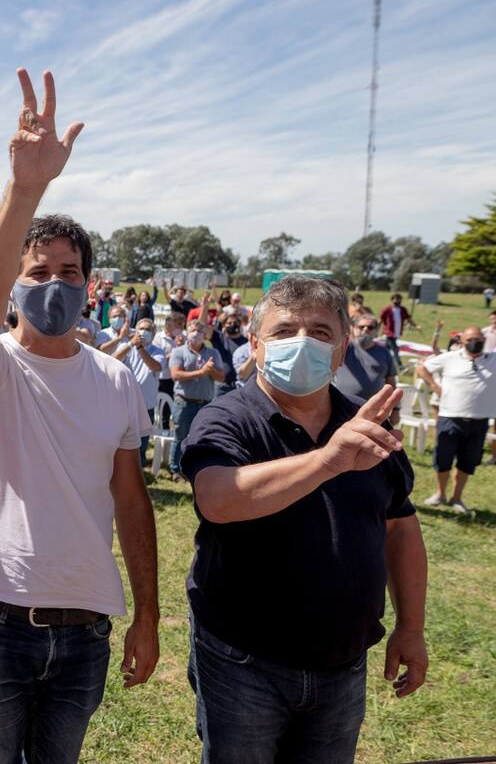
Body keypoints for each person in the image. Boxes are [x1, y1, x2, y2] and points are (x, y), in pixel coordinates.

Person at [0, 69, 159, 764]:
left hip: (85, 624)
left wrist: (149, 612)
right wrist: (25, 189)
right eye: (38, 271)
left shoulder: (115, 378)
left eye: (69, 272)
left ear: (89, 286)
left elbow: (131, 499)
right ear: (15, 281)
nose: (54, 283)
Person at [180, 275, 428, 764]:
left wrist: (411, 627)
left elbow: (400, 526)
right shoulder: (227, 419)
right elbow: (217, 499)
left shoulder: (367, 426)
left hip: (343, 663)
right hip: (244, 661)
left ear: (341, 350)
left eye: (319, 332)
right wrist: (328, 461)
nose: (302, 342)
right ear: (255, 345)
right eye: (284, 331)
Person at [417, 326, 496, 514]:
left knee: (468, 461)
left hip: (479, 421)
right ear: (461, 341)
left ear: (484, 339)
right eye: (469, 339)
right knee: (443, 458)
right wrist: (435, 386)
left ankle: (457, 497)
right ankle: (440, 494)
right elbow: (422, 368)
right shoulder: (450, 358)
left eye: (478, 338)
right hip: (450, 417)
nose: (475, 342)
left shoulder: (493, 359)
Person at [168, 319, 224, 480]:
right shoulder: (178, 352)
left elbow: (221, 377)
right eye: (193, 330)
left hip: (205, 403)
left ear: (205, 334)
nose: (196, 333)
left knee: (201, 438)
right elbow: (175, 374)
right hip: (184, 402)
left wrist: (210, 370)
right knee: (180, 437)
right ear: (187, 332)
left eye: (199, 331)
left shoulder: (213, 353)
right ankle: (176, 469)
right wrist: (201, 372)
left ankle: (195, 469)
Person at [112, 318, 165, 468]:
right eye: (141, 328)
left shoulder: (158, 351)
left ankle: (138, 473)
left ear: (153, 333)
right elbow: (113, 360)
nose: (143, 332)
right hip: (124, 404)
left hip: (146, 406)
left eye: (148, 329)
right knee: (119, 442)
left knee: (141, 445)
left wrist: (141, 349)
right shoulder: (127, 347)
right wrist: (131, 344)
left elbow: (155, 367)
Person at [333, 313, 398, 406]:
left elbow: (391, 381)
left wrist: (395, 407)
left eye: (370, 327)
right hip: (341, 405)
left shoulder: (384, 352)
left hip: (374, 407)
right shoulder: (344, 347)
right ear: (353, 328)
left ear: (376, 331)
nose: (365, 330)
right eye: (361, 327)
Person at [380, 292, 418, 361]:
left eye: (399, 299)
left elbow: (408, 319)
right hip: (389, 332)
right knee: (395, 349)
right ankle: (399, 364)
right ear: (392, 300)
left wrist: (416, 326)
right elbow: (381, 318)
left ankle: (381, 360)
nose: (397, 301)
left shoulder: (403, 309)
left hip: (397, 332)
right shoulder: (387, 309)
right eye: (396, 299)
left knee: (386, 348)